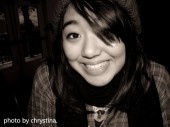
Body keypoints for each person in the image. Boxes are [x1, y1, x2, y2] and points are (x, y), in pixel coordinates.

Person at [27, 0, 170, 127]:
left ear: (130, 37)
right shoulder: (48, 81)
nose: (89, 51)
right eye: (74, 35)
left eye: (107, 32)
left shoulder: (155, 78)